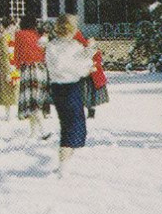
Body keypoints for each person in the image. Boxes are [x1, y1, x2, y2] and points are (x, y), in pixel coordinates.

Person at [43, 14, 96, 162]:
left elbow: (55, 66)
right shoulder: (74, 46)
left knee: (66, 122)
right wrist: (91, 51)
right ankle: (64, 161)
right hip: (72, 87)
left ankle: (66, 157)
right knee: (74, 124)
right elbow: (81, 64)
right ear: (73, 30)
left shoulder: (51, 46)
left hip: (56, 88)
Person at [13, 12, 51, 138]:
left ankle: (43, 130)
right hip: (41, 69)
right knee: (36, 102)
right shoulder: (38, 35)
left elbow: (17, 53)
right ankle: (33, 132)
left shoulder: (19, 35)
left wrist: (18, 67)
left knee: (32, 103)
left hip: (28, 70)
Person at [74, 27, 109, 118]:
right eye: (89, 41)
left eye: (92, 41)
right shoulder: (83, 49)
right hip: (84, 75)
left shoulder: (95, 51)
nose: (90, 43)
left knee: (91, 94)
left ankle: (91, 111)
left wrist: (94, 66)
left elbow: (98, 61)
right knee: (83, 94)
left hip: (93, 76)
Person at [0, 16, 19, 119]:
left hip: (14, 64)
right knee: (8, 90)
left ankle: (15, 113)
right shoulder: (3, 37)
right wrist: (7, 71)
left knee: (15, 89)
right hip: (7, 66)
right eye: (13, 25)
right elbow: (3, 55)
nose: (15, 27)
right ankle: (8, 114)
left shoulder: (13, 36)